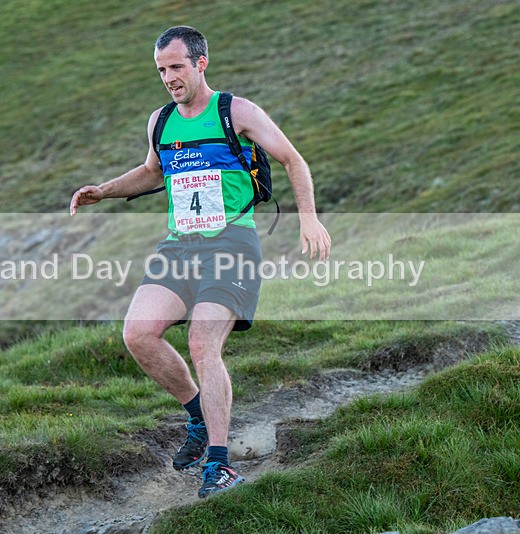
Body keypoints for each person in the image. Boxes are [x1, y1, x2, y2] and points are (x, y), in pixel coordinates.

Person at [70, 25, 330, 498]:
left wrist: (308, 219)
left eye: (177, 67)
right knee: (137, 334)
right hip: (179, 247)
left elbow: (293, 160)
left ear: (200, 63)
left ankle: (220, 464)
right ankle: (196, 415)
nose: (169, 77)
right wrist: (102, 191)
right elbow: (151, 171)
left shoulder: (237, 111)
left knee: (202, 342)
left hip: (232, 244)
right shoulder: (161, 121)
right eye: (162, 70)